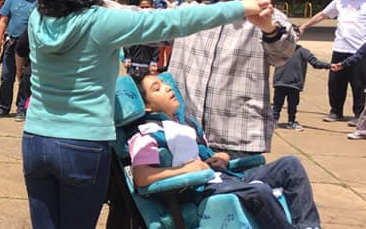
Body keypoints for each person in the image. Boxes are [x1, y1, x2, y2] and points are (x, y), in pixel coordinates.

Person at [23, 0, 273, 228]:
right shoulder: (100, 22)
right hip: (82, 147)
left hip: (35, 141)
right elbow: (172, 21)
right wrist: (240, 8)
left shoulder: (38, 16)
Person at [128, 73, 322, 229]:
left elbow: (205, 156)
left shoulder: (188, 124)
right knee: (258, 191)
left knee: (290, 165)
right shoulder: (147, 135)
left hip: (224, 176)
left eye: (164, 83)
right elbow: (141, 176)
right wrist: (186, 170)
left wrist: (220, 157)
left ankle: (309, 226)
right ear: (146, 106)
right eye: (157, 88)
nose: (168, 87)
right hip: (198, 189)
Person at [168, 0, 297, 158]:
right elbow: (146, 22)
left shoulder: (267, 19)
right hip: (186, 135)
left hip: (238, 141)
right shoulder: (195, 15)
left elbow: (283, 52)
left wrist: (267, 28)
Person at [298, 0, 366, 126]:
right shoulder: (340, 1)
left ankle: (358, 114)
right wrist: (304, 26)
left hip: (360, 51)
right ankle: (336, 111)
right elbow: (323, 14)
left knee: (359, 84)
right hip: (340, 49)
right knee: (335, 82)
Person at [0, 0, 39, 122]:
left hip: (31, 46)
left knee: (26, 78)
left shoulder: (40, 1)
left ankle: (22, 108)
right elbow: (2, 21)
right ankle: (4, 108)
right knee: (6, 76)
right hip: (11, 43)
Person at [273, 45, 331, 130]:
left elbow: (315, 63)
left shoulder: (303, 51)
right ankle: (274, 121)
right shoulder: (279, 48)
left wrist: (329, 66)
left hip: (294, 84)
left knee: (292, 105)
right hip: (281, 82)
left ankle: (290, 121)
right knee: (277, 104)